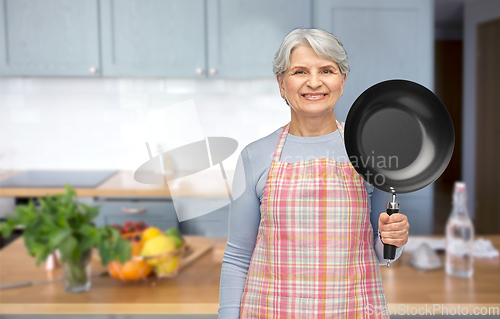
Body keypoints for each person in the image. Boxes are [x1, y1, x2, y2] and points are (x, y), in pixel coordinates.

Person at [218, 28, 410, 319]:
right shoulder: (255, 156)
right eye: (299, 71)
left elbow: (382, 253)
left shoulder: (369, 149)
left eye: (327, 70)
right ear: (281, 83)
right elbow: (237, 257)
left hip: (353, 309)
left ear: (342, 81)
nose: (314, 82)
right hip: (270, 310)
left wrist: (392, 240)